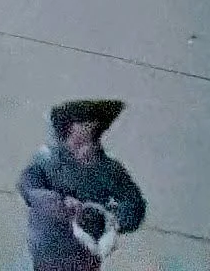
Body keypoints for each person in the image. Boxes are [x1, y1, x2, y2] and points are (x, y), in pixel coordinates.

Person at [19, 98, 145, 266]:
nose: (82, 147)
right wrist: (60, 202)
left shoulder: (108, 168)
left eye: (90, 136)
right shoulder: (47, 160)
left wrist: (115, 221)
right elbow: (29, 187)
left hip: (85, 252)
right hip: (48, 248)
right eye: (76, 139)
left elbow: (133, 203)